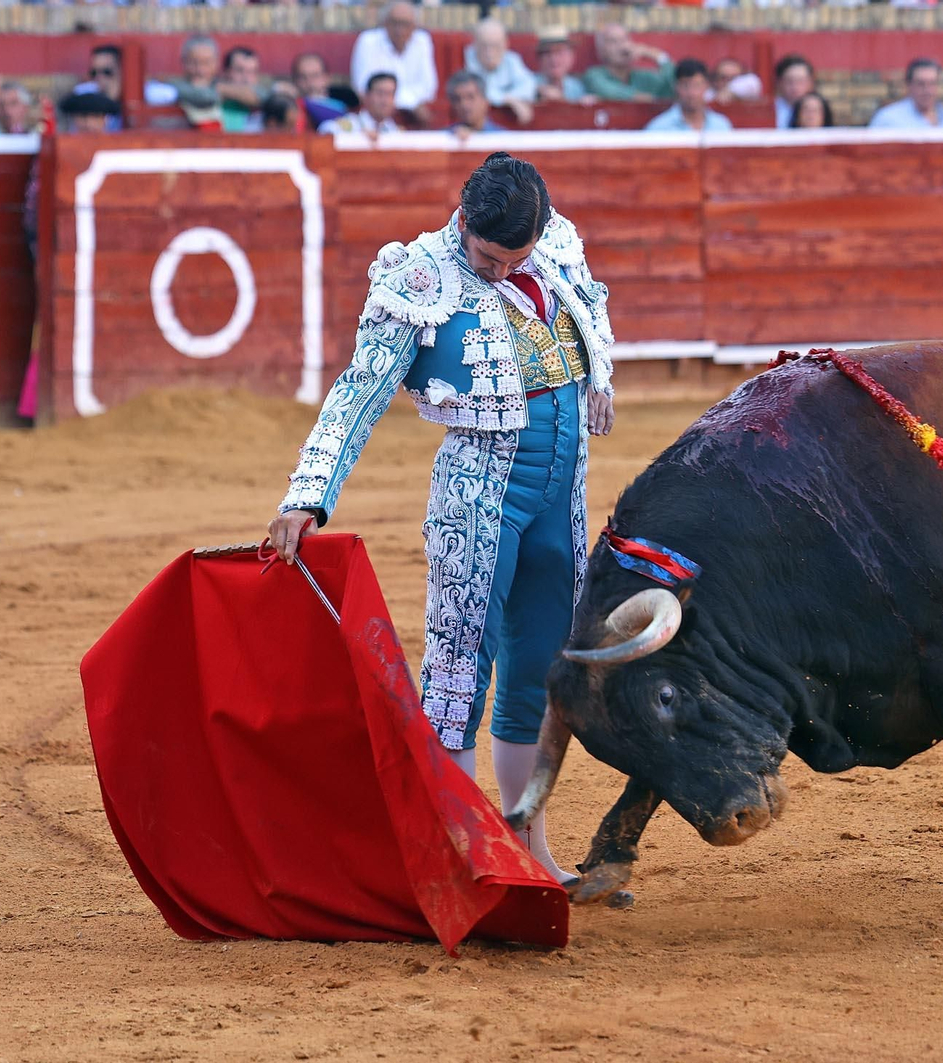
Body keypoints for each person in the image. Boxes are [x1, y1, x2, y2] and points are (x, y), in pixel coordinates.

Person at [265, 152, 619, 902]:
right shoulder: (417, 276)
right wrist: (308, 492)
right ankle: (460, 855)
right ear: (463, 223)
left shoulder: (555, 243)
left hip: (563, 490)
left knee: (540, 671)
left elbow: (590, 310)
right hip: (479, 494)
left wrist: (603, 378)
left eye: (515, 258)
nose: (500, 271)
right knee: (460, 671)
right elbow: (358, 389)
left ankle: (529, 846)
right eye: (490, 258)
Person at [351, 1, 437, 124]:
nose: (399, 29)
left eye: (405, 24)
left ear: (414, 26)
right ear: (384, 23)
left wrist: (393, 98)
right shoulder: (368, 41)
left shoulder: (422, 41)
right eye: (394, 23)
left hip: (413, 117)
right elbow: (364, 87)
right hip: (377, 116)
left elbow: (428, 88)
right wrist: (411, 102)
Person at [466, 17, 536, 125]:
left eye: (495, 46)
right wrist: (508, 100)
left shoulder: (511, 60)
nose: (489, 53)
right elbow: (477, 92)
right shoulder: (465, 59)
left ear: (505, 45)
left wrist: (510, 98)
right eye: (484, 46)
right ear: (474, 45)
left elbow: (528, 86)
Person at [583, 24, 673, 103]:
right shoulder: (594, 75)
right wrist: (647, 99)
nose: (622, 46)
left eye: (624, 40)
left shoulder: (642, 77)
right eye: (613, 41)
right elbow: (611, 92)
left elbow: (675, 85)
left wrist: (657, 56)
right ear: (601, 50)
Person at [869, 58, 943, 129]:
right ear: (909, 85)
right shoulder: (887, 119)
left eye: (932, 83)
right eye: (921, 84)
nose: (927, 90)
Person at [644, 58, 732, 133]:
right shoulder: (659, 128)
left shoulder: (721, 125)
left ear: (706, 86)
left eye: (697, 85)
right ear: (676, 87)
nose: (691, 93)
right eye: (685, 86)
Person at [325, 72, 400, 135]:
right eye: (380, 93)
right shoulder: (354, 123)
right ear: (366, 96)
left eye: (390, 94)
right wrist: (359, 135)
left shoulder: (393, 128)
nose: (385, 100)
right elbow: (326, 129)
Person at [291, 52, 349, 130]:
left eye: (315, 76)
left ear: (327, 78)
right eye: (302, 77)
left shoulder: (342, 107)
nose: (309, 82)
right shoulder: (290, 108)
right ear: (294, 80)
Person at [534, 29, 588, 105]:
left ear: (571, 57)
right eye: (547, 53)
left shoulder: (576, 86)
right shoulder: (528, 83)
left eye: (559, 52)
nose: (553, 59)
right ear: (539, 59)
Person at [219, 46, 264, 133]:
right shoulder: (213, 104)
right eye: (239, 70)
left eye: (252, 72)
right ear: (226, 72)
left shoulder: (264, 108)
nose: (246, 79)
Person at [448, 70, 504, 135]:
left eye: (470, 97)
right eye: (457, 99)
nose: (464, 105)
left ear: (485, 101)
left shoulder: (504, 138)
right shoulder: (444, 138)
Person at [773, 54, 814, 128]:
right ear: (779, 83)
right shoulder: (770, 110)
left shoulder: (818, 110)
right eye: (789, 81)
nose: (795, 87)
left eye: (801, 81)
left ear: (810, 83)